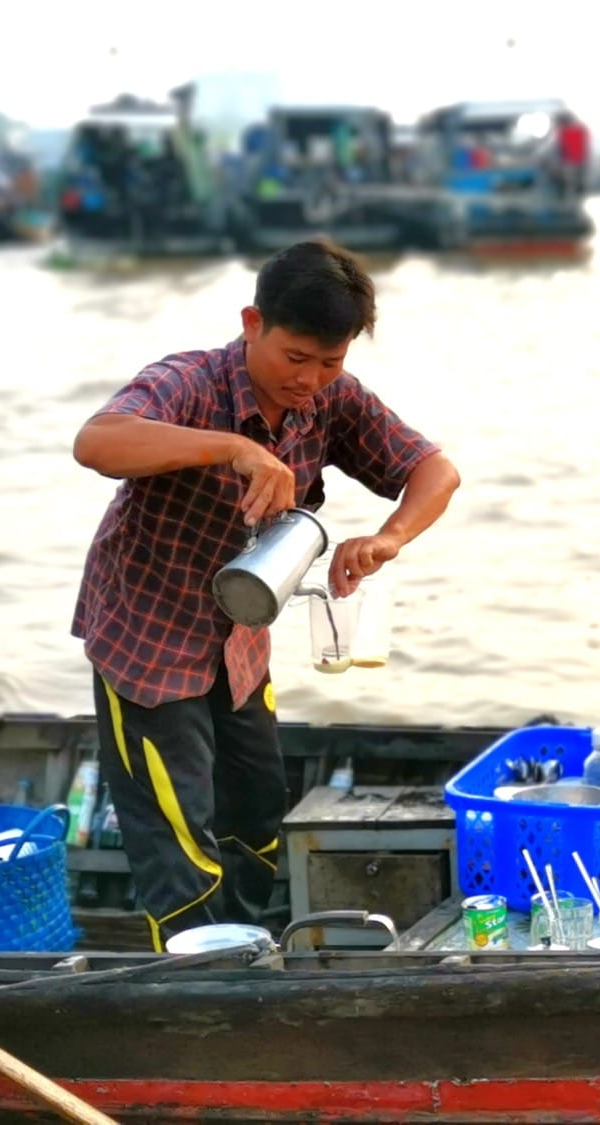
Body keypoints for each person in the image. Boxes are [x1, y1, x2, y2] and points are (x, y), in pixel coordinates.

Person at [70, 239, 460, 951]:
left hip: (239, 637)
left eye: (330, 362)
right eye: (295, 358)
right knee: (177, 838)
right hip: (147, 639)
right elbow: (97, 442)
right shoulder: (188, 382)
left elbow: (434, 470)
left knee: (254, 813)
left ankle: (247, 946)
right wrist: (231, 447)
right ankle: (195, 983)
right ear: (253, 323)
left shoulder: (332, 400)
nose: (310, 380)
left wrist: (388, 538)